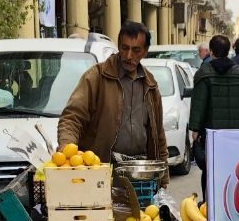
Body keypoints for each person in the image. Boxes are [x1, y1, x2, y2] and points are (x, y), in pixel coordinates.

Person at [57, 20, 167, 181]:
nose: (129, 56)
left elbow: (158, 135)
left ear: (145, 51)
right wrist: (67, 147)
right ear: (119, 46)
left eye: (136, 50)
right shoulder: (96, 77)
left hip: (140, 173)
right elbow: (72, 117)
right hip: (101, 171)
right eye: (124, 48)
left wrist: (163, 178)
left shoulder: (150, 85)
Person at [188, 34, 239, 194]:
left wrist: (195, 130)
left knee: (210, 174)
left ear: (210, 51)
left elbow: (199, 104)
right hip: (235, 138)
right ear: (229, 50)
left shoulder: (204, 74)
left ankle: (209, 208)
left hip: (212, 138)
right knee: (233, 175)